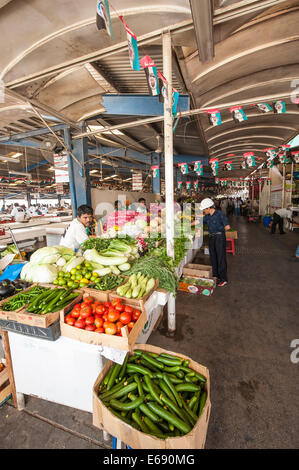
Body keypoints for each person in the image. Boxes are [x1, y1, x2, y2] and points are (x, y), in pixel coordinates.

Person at [200, 198, 230, 287]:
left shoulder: (220, 214)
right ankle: (215, 275)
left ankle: (223, 279)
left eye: (204, 209)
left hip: (220, 237)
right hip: (212, 237)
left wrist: (217, 230)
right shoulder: (208, 216)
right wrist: (188, 224)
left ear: (208, 208)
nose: (203, 211)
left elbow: (227, 227)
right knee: (213, 257)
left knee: (220, 258)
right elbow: (199, 221)